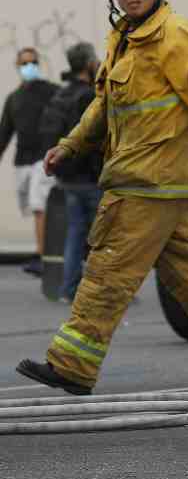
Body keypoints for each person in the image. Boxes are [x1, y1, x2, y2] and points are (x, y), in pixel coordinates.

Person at [15, 0, 188, 396]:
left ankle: (73, 363)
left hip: (149, 181)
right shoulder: (123, 38)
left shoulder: (175, 35)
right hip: (146, 180)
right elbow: (104, 106)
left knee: (107, 268)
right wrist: (69, 145)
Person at [39, 42, 103, 303]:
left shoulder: (60, 95)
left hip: (67, 178)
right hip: (88, 178)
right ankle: (103, 290)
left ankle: (68, 288)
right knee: (102, 237)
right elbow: (91, 137)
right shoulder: (87, 96)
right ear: (89, 64)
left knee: (76, 233)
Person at [0, 47, 59, 276]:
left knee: (38, 206)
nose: (29, 66)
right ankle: (46, 252)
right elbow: (5, 132)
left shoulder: (53, 92)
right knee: (32, 207)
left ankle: (43, 255)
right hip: (22, 161)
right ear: (18, 66)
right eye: (24, 63)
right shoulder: (14, 98)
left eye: (32, 62)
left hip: (43, 159)